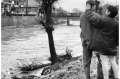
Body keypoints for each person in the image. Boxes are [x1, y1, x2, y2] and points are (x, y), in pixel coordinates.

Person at [86, 5, 119, 79]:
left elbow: (91, 20)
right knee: (113, 62)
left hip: (102, 46)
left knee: (104, 62)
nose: (105, 11)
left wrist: (88, 11)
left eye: (106, 10)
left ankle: (106, 77)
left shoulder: (102, 19)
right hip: (112, 46)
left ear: (108, 12)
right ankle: (117, 77)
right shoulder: (117, 23)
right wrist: (117, 45)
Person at [80, 1, 103, 79]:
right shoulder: (98, 16)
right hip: (95, 42)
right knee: (100, 59)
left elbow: (81, 27)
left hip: (85, 41)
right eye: (95, 6)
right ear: (93, 6)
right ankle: (99, 77)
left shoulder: (81, 16)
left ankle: (87, 77)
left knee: (86, 62)